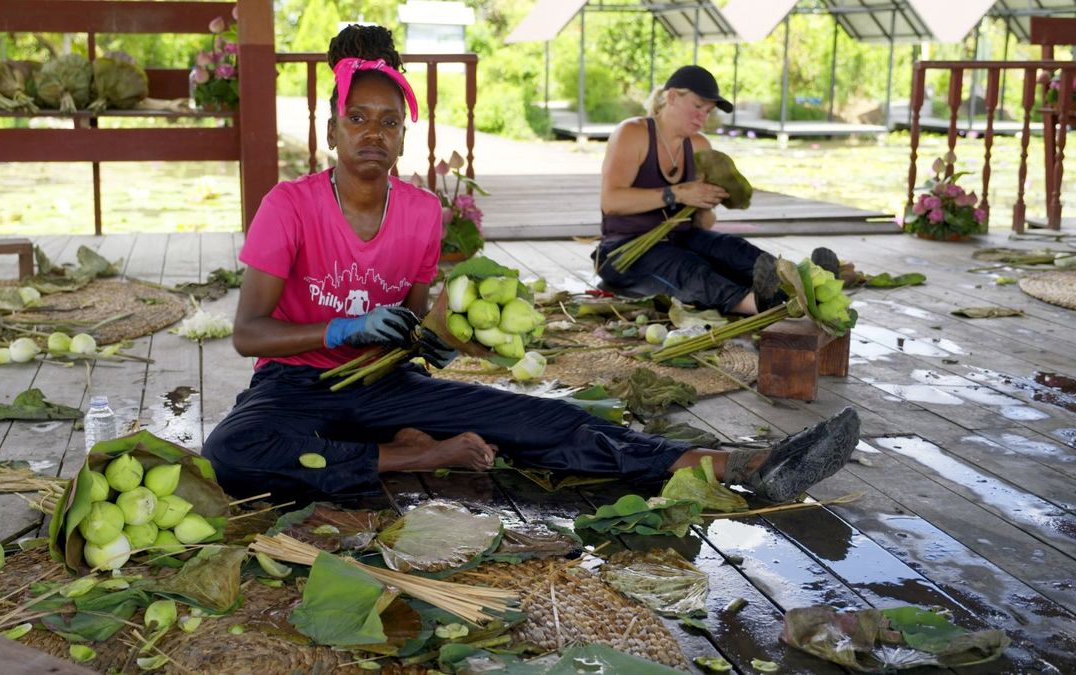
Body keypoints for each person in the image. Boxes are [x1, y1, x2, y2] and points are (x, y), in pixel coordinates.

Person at [200, 25, 860, 505]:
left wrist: (436, 334)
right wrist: (339, 331)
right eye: (357, 119)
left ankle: (743, 462)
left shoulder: (425, 214)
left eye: (388, 121)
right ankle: (415, 453)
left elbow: (412, 318)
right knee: (232, 450)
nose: (372, 132)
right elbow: (248, 333)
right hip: (293, 387)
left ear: (404, 133)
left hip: (384, 386)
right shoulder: (288, 206)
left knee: (545, 419)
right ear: (333, 131)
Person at [595, 65, 837, 314]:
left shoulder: (699, 145)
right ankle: (757, 304)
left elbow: (704, 224)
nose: (703, 117)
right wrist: (677, 193)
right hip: (623, 252)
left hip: (683, 237)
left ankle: (805, 282)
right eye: (698, 106)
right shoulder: (633, 133)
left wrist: (704, 203)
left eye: (708, 111)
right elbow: (611, 201)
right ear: (672, 97)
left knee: (731, 249)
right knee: (687, 267)